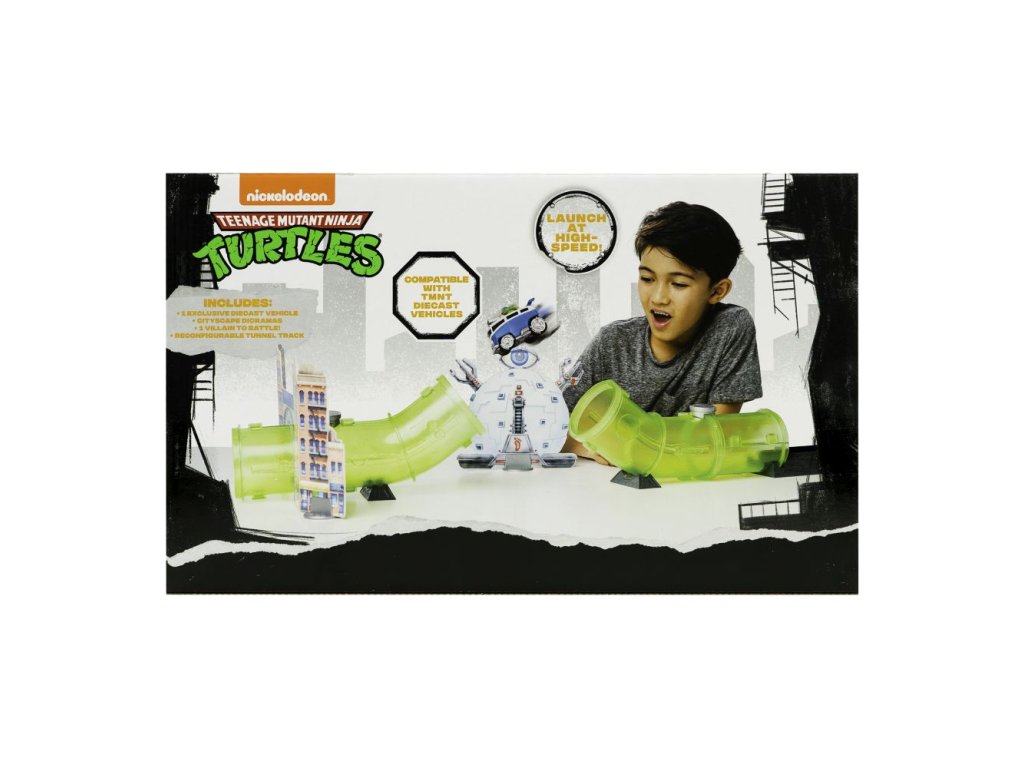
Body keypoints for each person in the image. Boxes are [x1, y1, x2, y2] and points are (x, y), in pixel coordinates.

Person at [562, 201, 762, 464]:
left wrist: (631, 445)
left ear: (717, 291)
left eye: (678, 284)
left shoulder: (730, 327)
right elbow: (551, 428)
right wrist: (586, 447)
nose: (658, 297)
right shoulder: (612, 342)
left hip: (688, 479)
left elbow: (716, 436)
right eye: (647, 279)